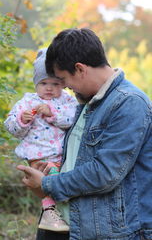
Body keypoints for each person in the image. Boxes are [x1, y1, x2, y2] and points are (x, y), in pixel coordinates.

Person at [17, 28, 152, 240]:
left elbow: (105, 172)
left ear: (79, 69)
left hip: (105, 233)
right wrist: (55, 168)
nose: (66, 88)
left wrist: (46, 184)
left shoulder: (129, 102)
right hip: (66, 223)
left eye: (63, 79)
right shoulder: (85, 102)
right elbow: (79, 159)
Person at [4, 48, 77, 232]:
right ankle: (50, 211)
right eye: (44, 83)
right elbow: (10, 126)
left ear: (62, 83)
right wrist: (22, 119)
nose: (50, 88)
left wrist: (53, 113)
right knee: (51, 177)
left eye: (55, 83)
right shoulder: (27, 102)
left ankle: (55, 213)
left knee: (60, 178)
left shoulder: (67, 101)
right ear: (36, 84)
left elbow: (72, 119)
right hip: (38, 156)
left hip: (62, 156)